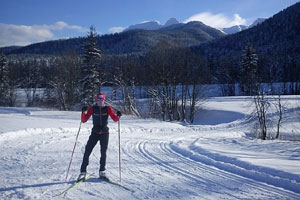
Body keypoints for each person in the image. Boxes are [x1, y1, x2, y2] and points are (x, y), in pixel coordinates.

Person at [77, 92, 122, 181]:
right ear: (96, 100)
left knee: (103, 153)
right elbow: (84, 120)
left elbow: (115, 119)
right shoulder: (93, 108)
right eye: (98, 99)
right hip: (95, 133)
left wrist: (118, 115)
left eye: (101, 99)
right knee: (87, 151)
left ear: (104, 100)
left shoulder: (108, 108)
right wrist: (83, 112)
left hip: (104, 134)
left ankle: (102, 172)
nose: (100, 101)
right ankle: (83, 172)